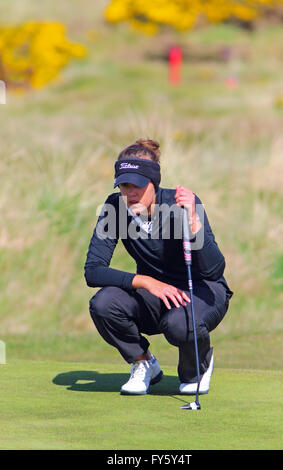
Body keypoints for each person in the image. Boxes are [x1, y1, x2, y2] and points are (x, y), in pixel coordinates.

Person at [84, 138, 234, 396]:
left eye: (138, 186)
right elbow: (93, 270)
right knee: (103, 303)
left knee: (180, 325)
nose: (130, 193)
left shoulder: (180, 203)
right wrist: (146, 282)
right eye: (124, 186)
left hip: (201, 291)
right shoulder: (115, 208)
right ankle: (143, 363)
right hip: (154, 294)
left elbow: (214, 270)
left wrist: (194, 222)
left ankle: (198, 366)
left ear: (154, 183)